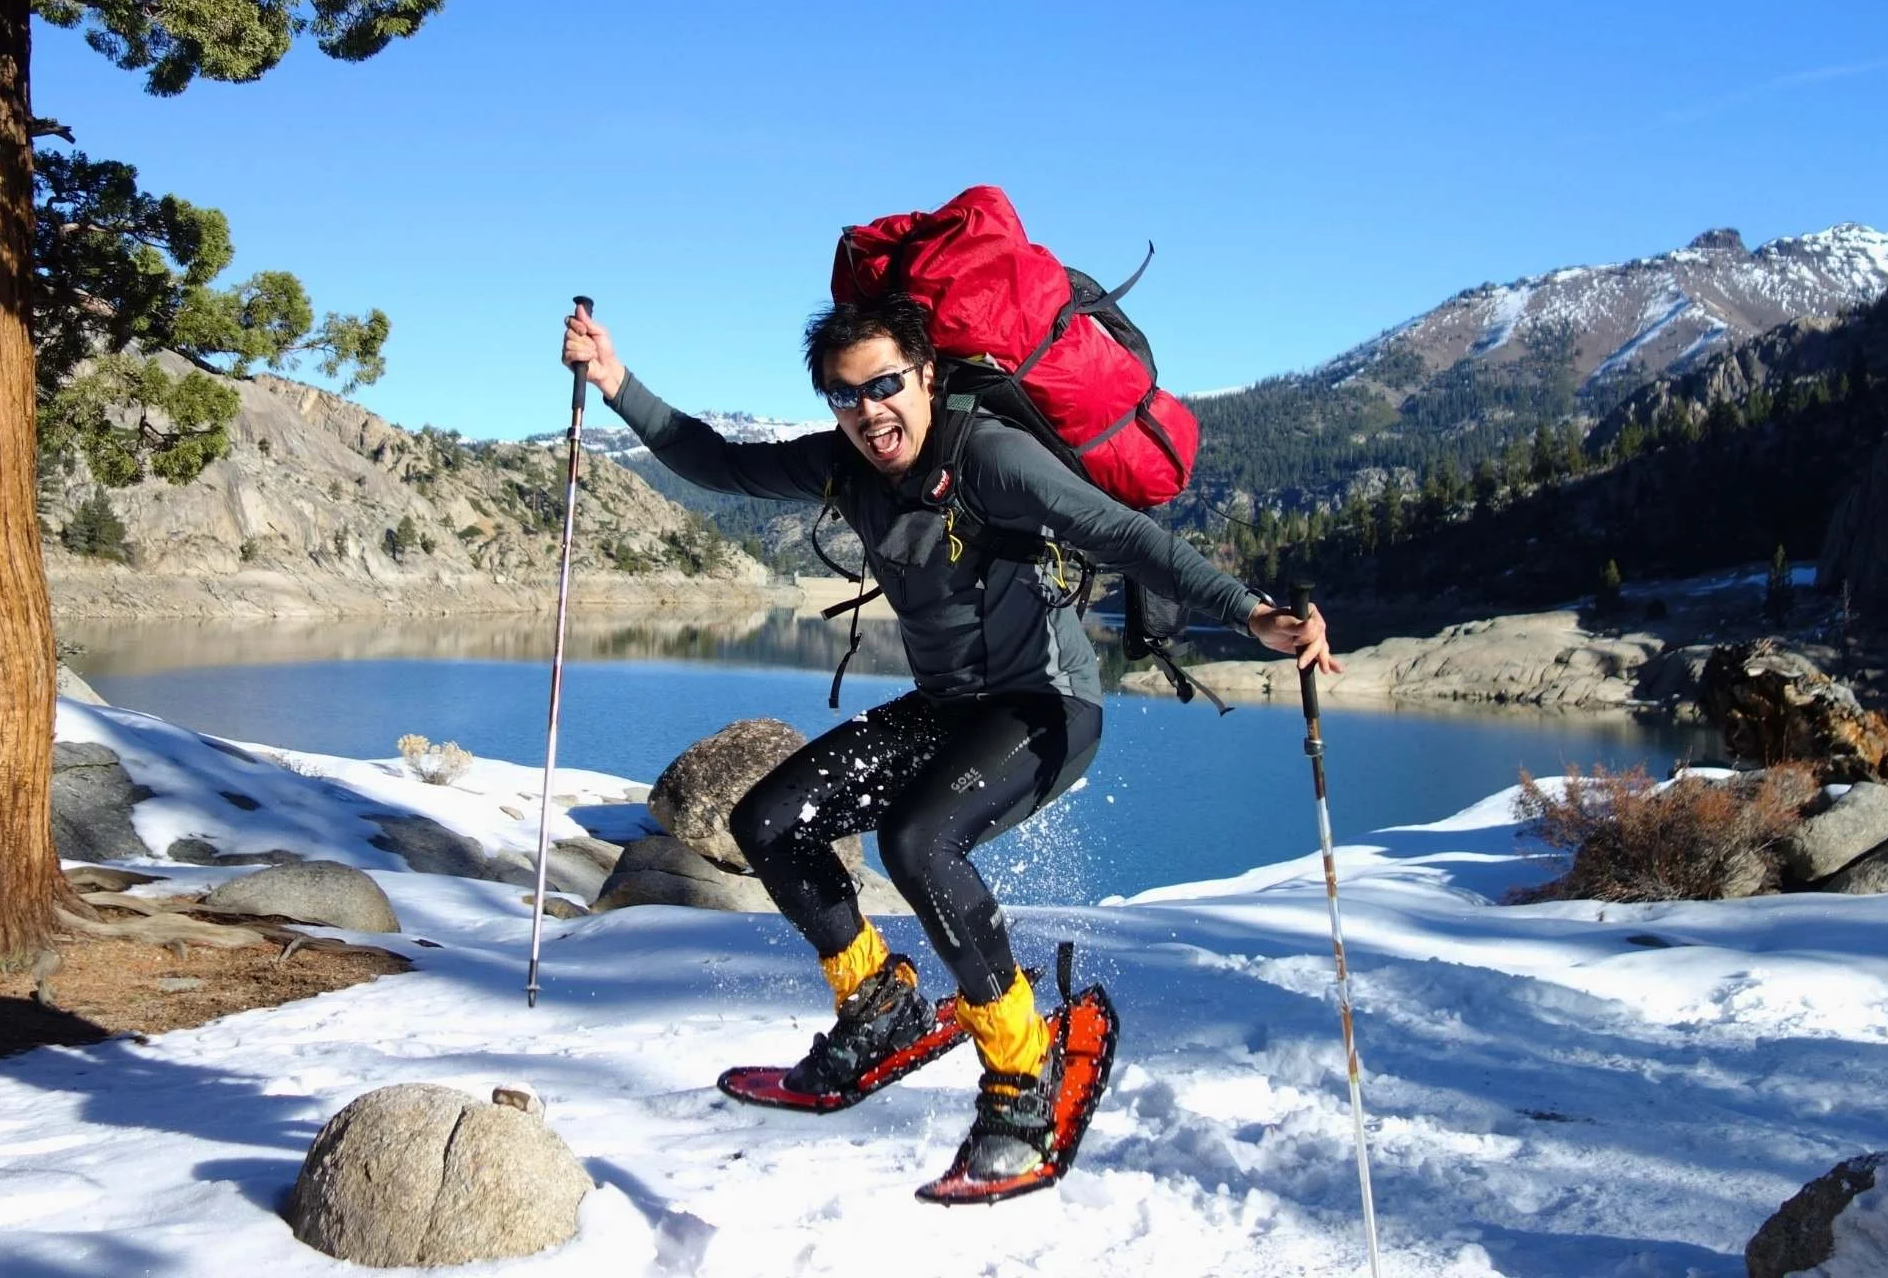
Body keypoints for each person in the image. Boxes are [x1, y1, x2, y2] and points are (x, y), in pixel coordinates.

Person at [560, 294, 1339, 1184]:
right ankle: (879, 1008)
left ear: (927, 374)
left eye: (886, 385)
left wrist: (1251, 614)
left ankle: (1021, 1072)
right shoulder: (846, 465)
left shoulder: (991, 461)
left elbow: (1124, 535)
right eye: (846, 396)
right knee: (771, 819)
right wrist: (614, 379)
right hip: (949, 705)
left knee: (917, 843)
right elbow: (720, 463)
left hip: (1047, 706)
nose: (868, 412)